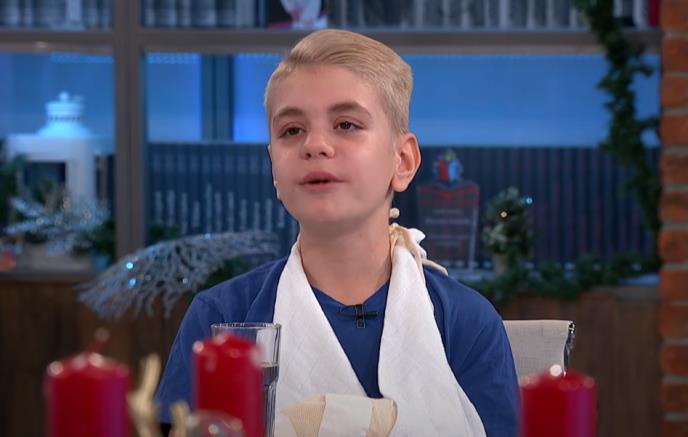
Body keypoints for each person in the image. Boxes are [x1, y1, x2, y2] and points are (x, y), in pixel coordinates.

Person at [155, 29, 518, 436]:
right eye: (292, 130)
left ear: (402, 160)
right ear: (274, 167)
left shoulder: (466, 323)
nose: (315, 145)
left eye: (346, 124)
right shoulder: (222, 319)